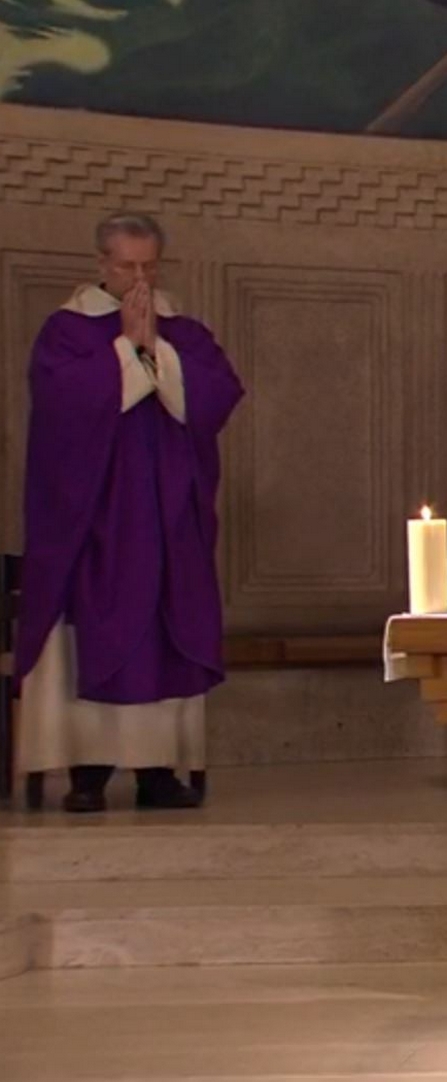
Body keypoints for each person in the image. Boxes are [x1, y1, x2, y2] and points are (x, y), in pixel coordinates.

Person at [14, 212, 246, 813]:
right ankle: (87, 773)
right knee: (90, 630)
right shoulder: (66, 331)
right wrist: (126, 347)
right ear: (101, 264)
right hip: (93, 519)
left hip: (167, 518)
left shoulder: (184, 333)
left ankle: (156, 773)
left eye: (148, 266)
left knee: (164, 632)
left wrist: (155, 351)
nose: (138, 279)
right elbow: (63, 406)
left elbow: (217, 394)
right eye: (125, 266)